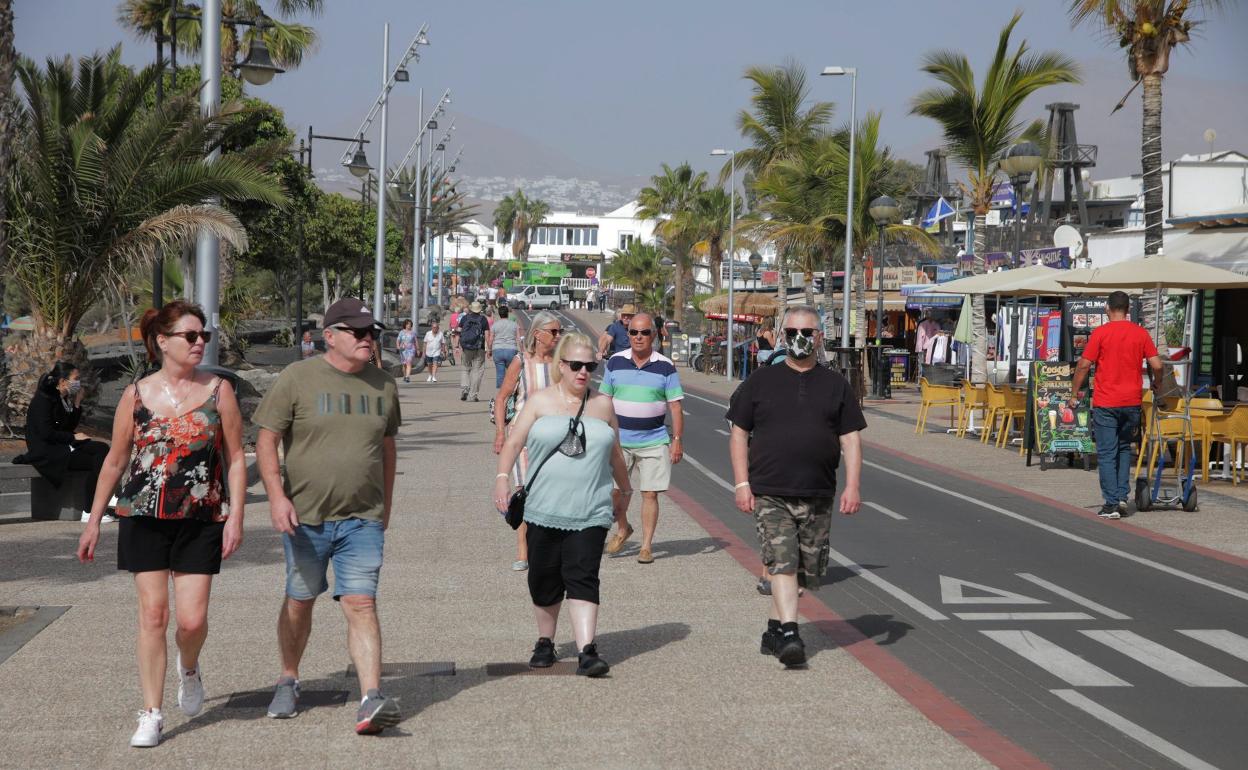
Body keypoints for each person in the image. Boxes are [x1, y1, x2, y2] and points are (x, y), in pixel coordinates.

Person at [76, 300, 247, 747]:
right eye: (190, 336)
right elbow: (115, 461)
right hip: (142, 516)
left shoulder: (219, 391)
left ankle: (188, 667)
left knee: (191, 622)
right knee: (153, 615)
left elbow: (234, 460)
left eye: (203, 335)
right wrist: (94, 520)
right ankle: (151, 712)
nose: (199, 343)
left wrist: (236, 518)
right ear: (162, 342)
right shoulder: (136, 395)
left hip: (201, 516)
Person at [253, 297, 403, 735]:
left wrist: (385, 506)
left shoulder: (384, 384)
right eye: (357, 332)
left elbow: (388, 447)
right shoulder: (297, 378)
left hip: (363, 518)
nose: (367, 339)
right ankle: (289, 676)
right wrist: (277, 498)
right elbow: (267, 441)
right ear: (330, 336)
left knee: (361, 602)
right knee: (300, 601)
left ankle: (370, 697)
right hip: (305, 517)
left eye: (371, 333)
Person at [726, 305, 865, 668]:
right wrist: (742, 483)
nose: (799, 339)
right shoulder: (760, 380)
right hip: (771, 491)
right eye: (792, 333)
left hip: (818, 491)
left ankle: (773, 629)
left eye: (807, 332)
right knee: (782, 563)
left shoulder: (836, 385)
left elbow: (850, 438)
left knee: (804, 571)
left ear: (820, 336)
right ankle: (790, 632)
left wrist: (853, 485)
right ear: (781, 336)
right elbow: (738, 432)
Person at [492, 332, 631, 677]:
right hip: (544, 508)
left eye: (590, 366)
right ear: (561, 366)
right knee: (544, 579)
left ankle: (586, 649)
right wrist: (502, 478)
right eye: (576, 366)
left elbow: (615, 454)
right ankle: (545, 641)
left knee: (584, 576)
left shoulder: (603, 405)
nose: (583, 372)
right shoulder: (540, 402)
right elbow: (514, 442)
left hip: (591, 509)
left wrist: (625, 492)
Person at [1071, 290, 1164, 519]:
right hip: (1132, 401)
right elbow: (1158, 364)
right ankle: (1122, 497)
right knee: (1124, 449)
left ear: (1107, 308)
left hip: (1106, 401)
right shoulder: (1140, 333)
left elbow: (1084, 365)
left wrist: (1074, 393)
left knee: (1106, 452)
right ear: (1128, 309)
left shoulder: (1100, 333)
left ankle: (1111, 503)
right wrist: (1157, 384)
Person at [600, 312, 684, 564]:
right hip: (618, 441)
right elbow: (605, 401)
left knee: (650, 493)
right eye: (634, 332)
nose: (639, 337)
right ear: (628, 335)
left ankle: (646, 546)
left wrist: (677, 440)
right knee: (614, 492)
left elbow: (676, 407)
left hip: (654, 440)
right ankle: (623, 528)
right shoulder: (615, 362)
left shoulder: (665, 366)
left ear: (654, 336)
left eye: (644, 332)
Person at [494, 311, 561, 572]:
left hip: (555, 438)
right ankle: (523, 550)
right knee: (524, 493)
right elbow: (502, 398)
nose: (558, 336)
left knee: (552, 492)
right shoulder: (521, 362)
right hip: (523, 438)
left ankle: (548, 546)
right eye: (553, 332)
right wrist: (501, 432)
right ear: (537, 334)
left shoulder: (561, 363)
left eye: (560, 332)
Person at [20, 361, 113, 523]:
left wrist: (77, 404)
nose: (78, 382)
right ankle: (90, 509)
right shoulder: (43, 400)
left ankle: (103, 498)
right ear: (62, 381)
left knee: (101, 448)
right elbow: (45, 433)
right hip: (47, 452)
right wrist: (73, 438)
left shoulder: (60, 398)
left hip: (61, 445)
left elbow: (68, 426)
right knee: (95, 460)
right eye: (75, 378)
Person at [458, 301, 491, 402]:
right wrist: (488, 348)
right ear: (479, 309)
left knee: (465, 368)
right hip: (479, 348)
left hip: (466, 347)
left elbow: (459, 331)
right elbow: (487, 335)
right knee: (477, 371)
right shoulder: (483, 319)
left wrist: (457, 345)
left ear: (471, 309)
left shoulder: (465, 318)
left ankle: (465, 389)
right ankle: (473, 395)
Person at [491, 305, 521, 389]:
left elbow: (491, 338)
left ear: (499, 314)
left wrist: (489, 350)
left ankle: (501, 393)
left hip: (497, 349)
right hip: (511, 349)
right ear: (507, 314)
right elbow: (518, 338)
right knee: (512, 372)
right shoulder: (514, 325)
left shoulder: (495, 325)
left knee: (500, 373)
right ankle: (512, 390)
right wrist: (522, 350)